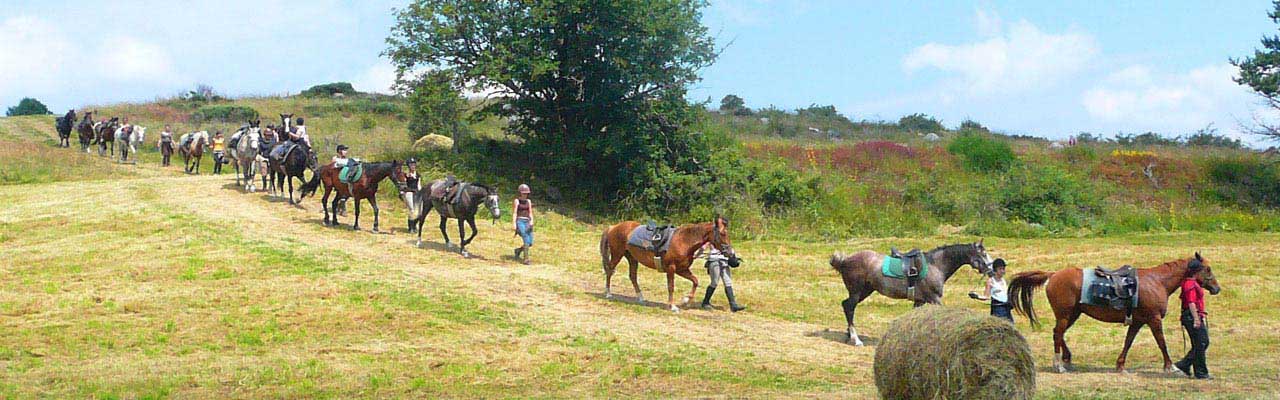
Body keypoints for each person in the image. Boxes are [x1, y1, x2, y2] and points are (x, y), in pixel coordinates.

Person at [1175, 259, 1212, 379]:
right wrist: (1196, 318)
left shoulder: (1191, 282)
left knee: (1201, 343)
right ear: (1198, 271)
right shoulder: (1190, 284)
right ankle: (1200, 372)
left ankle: (1184, 364)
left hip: (1193, 315)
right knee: (1201, 343)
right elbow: (1191, 302)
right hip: (1191, 316)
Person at [698, 242, 745, 312]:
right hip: (714, 261)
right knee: (714, 282)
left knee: (728, 282)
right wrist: (698, 253)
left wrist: (732, 255)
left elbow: (730, 249)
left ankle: (733, 305)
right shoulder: (712, 238)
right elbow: (703, 247)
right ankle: (705, 302)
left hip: (725, 261)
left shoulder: (724, 239)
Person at [512, 184, 535, 264]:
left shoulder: (528, 201)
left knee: (530, 242)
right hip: (520, 221)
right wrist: (514, 224)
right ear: (520, 193)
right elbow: (515, 213)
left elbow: (530, 212)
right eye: (524, 193)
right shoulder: (517, 201)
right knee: (525, 238)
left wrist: (532, 221)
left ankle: (518, 250)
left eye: (526, 193)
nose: (525, 195)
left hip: (527, 221)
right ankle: (526, 259)